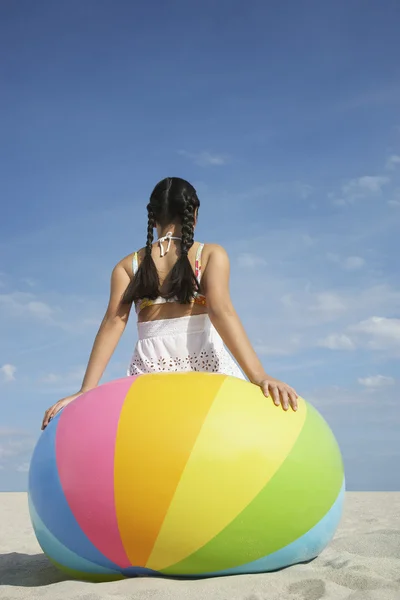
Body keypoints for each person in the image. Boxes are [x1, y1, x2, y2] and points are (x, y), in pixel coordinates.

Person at [42, 177, 298, 429]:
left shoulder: (127, 266)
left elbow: (113, 323)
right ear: (193, 214)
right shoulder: (209, 254)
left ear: (152, 218)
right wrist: (259, 375)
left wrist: (86, 390)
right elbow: (222, 312)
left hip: (151, 369)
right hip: (204, 361)